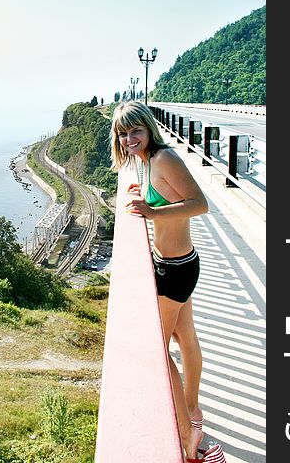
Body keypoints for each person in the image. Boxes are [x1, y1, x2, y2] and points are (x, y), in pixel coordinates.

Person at [110, 101, 208, 461]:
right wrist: (141, 192)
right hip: (178, 263)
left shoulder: (164, 158)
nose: (129, 138)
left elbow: (200, 204)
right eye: (123, 133)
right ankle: (193, 411)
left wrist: (152, 211)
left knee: (157, 348)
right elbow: (162, 190)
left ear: (149, 128)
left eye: (136, 130)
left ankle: (189, 440)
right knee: (186, 337)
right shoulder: (147, 162)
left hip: (176, 268)